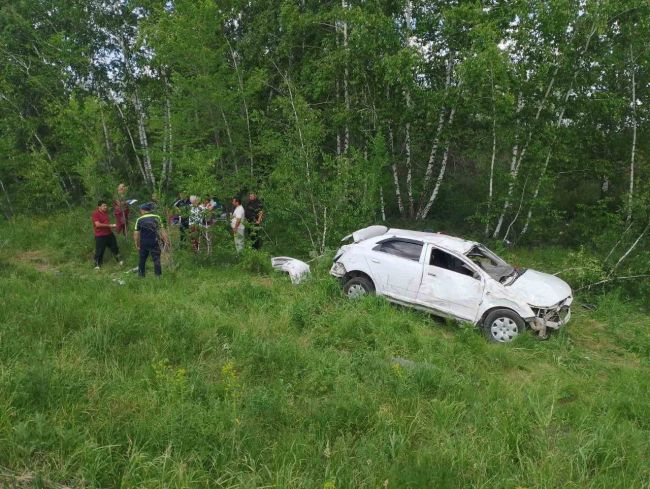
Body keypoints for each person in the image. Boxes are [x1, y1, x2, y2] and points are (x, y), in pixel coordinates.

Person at [133, 203, 169, 277]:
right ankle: (158, 276)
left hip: (144, 242)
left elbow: (136, 234)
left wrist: (136, 243)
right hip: (155, 241)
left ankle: (141, 275)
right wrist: (166, 241)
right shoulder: (157, 217)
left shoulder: (139, 219)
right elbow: (162, 230)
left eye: (140, 210)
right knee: (156, 259)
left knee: (142, 259)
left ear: (143, 210)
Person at [92, 200, 123, 269]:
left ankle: (119, 261)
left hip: (109, 234)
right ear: (99, 206)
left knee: (115, 247)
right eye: (104, 206)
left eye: (106, 205)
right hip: (100, 235)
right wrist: (110, 225)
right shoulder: (95, 213)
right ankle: (97, 265)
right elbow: (97, 224)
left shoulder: (105, 213)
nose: (106, 207)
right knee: (99, 251)